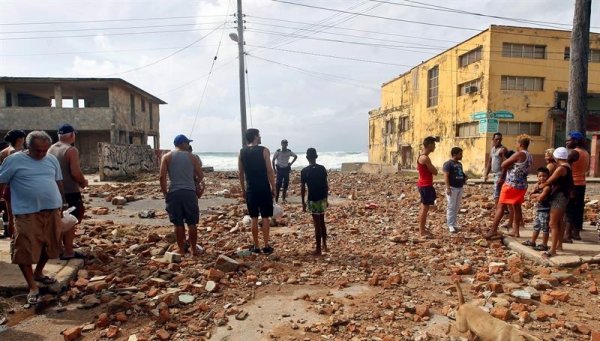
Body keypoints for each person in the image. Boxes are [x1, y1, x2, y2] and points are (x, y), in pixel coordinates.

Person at [0, 131, 64, 305]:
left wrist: (62, 204)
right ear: (28, 147)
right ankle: (32, 286)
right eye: (38, 150)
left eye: (45, 150)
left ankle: (39, 273)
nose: (42, 154)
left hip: (51, 211)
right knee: (25, 249)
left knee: (50, 245)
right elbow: (2, 183)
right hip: (26, 212)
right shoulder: (13, 160)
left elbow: (58, 182)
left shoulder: (51, 160)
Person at [48, 124, 88, 260]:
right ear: (71, 135)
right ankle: (69, 251)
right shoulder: (71, 150)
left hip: (54, 191)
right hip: (70, 191)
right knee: (71, 220)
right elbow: (75, 172)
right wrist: (83, 182)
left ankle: (59, 248)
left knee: (59, 219)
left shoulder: (50, 149)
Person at [159, 134, 204, 256]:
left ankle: (181, 250)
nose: (189, 145)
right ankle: (193, 249)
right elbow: (201, 176)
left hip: (174, 192)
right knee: (192, 222)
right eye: (187, 142)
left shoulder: (166, 157)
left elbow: (162, 177)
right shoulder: (193, 157)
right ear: (183, 143)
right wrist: (194, 183)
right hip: (189, 193)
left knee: (178, 223)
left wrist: (165, 193)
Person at [486, 134, 532, 239]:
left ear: (520, 144)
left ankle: (493, 230)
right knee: (517, 206)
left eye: (516, 143)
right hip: (522, 185)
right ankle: (516, 230)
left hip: (511, 184)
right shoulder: (529, 155)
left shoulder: (519, 154)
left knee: (501, 206)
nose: (516, 145)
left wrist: (503, 156)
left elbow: (503, 164)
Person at [238, 128, 276, 254]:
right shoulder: (264, 150)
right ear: (255, 137)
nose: (260, 137)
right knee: (265, 216)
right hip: (263, 187)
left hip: (251, 188)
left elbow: (241, 173)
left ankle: (256, 246)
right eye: (259, 135)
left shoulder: (242, 152)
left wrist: (243, 189)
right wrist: (273, 187)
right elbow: (269, 170)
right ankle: (266, 245)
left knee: (254, 217)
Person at [540, 147, 573, 258]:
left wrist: (540, 186)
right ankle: (559, 245)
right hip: (563, 196)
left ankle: (552, 250)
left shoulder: (561, 168)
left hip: (559, 197)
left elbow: (550, 180)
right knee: (559, 222)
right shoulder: (567, 166)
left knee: (553, 224)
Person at [300, 148, 329, 255]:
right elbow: (326, 186)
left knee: (317, 225)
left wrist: (303, 202)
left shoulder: (304, 171)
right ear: (316, 157)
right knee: (322, 222)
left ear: (307, 158)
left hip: (312, 199)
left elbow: (303, 188)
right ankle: (324, 245)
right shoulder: (322, 169)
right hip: (322, 198)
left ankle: (318, 249)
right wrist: (326, 199)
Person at [0, 129, 26, 238]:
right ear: (19, 139)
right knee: (20, 217)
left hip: (7, 188)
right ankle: (17, 240)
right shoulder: (14, 152)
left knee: (11, 217)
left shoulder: (3, 151)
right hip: (16, 188)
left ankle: (12, 240)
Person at [564, 131, 589, 242]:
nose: (567, 142)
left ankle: (567, 235)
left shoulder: (574, 153)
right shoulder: (586, 152)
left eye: (569, 140)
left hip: (573, 184)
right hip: (581, 184)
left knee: (569, 209)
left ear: (575, 141)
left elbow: (565, 168)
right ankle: (576, 233)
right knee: (578, 209)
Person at [522, 167, 552, 251]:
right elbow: (530, 194)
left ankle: (544, 244)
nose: (542, 178)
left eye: (544, 176)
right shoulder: (537, 185)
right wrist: (536, 195)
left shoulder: (547, 187)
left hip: (545, 210)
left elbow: (541, 198)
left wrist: (535, 195)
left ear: (548, 176)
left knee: (545, 228)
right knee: (536, 226)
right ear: (537, 177)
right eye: (540, 176)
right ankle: (532, 241)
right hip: (539, 209)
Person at [417, 136, 438, 238]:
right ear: (429, 145)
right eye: (434, 144)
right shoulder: (425, 158)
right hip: (425, 185)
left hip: (424, 184)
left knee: (424, 207)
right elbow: (435, 172)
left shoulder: (422, 157)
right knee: (424, 208)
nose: (435, 147)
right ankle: (422, 231)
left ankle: (422, 229)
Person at [443, 147, 467, 233]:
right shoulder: (448, 164)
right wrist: (448, 187)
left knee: (456, 207)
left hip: (460, 187)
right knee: (451, 207)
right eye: (460, 154)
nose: (462, 155)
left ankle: (454, 223)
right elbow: (446, 176)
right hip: (452, 188)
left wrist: (464, 177)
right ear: (454, 154)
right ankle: (450, 225)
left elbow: (461, 174)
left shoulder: (460, 164)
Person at [483, 133, 507, 206]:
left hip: (500, 174)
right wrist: (486, 174)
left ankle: (498, 210)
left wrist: (501, 177)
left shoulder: (503, 150)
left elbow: (505, 164)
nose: (498, 141)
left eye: (500, 139)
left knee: (497, 193)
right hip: (495, 174)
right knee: (498, 192)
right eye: (496, 139)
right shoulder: (492, 149)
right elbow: (489, 162)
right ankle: (503, 209)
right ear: (493, 140)